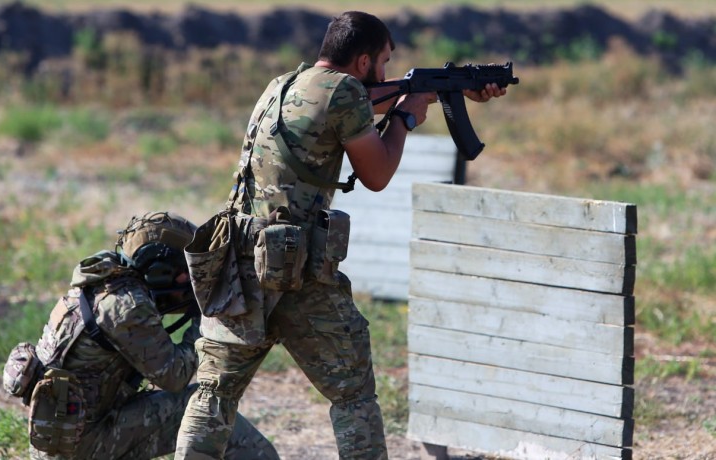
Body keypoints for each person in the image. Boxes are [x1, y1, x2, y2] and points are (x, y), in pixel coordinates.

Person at [175, 11, 506, 460]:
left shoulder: (283, 85)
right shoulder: (348, 92)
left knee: (214, 392)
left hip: (240, 260)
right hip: (296, 266)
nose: (388, 74)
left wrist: (443, 91)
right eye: (385, 63)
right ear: (364, 60)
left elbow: (349, 108)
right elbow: (377, 174)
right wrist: (406, 118)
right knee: (353, 394)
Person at [3, 211, 279, 460]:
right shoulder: (127, 306)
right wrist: (207, 317)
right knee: (199, 405)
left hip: (69, 440)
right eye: (187, 272)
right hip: (84, 446)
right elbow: (176, 375)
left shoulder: (103, 285)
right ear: (160, 269)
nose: (191, 281)